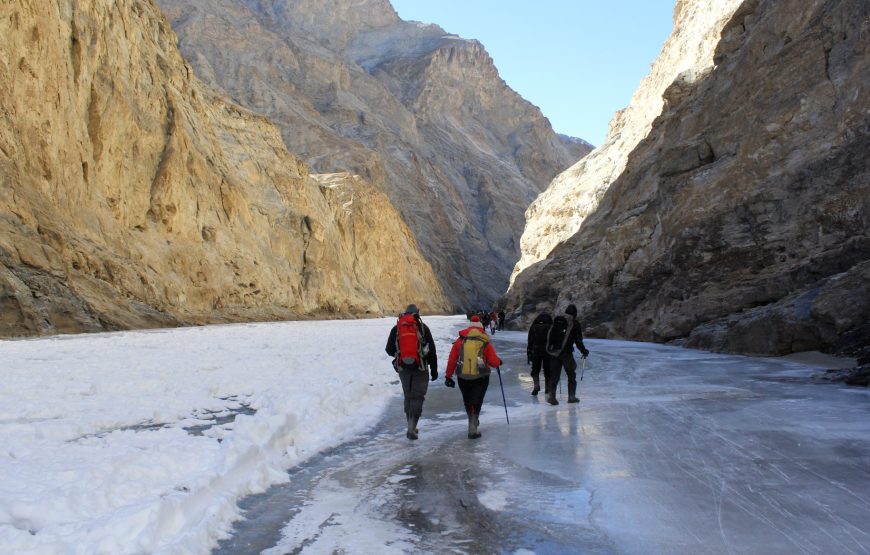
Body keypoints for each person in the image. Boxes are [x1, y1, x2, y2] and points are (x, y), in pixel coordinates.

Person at [444, 316, 503, 439]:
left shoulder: (460, 341)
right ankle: (473, 426)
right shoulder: (484, 341)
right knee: (477, 401)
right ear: (481, 328)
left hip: (463, 376)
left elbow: (452, 359)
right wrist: (499, 362)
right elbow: (493, 361)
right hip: (481, 376)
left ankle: (472, 421)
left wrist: (448, 376)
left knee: (468, 400)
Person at [385, 304, 438, 440]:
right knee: (417, 397)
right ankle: (412, 427)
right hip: (420, 367)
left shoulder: (397, 328)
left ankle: (410, 424)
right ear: (417, 314)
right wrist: (434, 370)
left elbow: (388, 349)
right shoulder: (422, 328)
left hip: (403, 368)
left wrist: (400, 355)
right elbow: (431, 351)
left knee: (408, 396)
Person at [545, 304, 590, 405]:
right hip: (566, 353)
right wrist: (584, 351)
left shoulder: (557, 320)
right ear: (575, 314)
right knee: (571, 375)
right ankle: (571, 397)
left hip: (554, 353)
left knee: (554, 375)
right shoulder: (574, 323)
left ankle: (552, 397)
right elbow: (578, 341)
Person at [526, 312, 553, 396]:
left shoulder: (533, 326)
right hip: (547, 351)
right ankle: (548, 388)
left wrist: (529, 351)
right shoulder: (550, 326)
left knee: (535, 369)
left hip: (536, 350)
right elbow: (553, 339)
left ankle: (536, 386)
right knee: (547, 370)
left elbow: (530, 340)